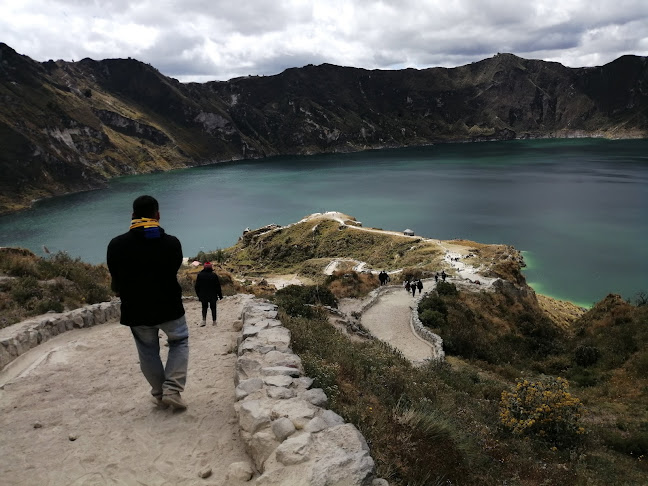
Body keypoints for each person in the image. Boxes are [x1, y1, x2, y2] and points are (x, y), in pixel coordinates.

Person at [107, 195, 189, 411]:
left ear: (133, 216)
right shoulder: (172, 243)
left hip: (136, 309)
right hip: (169, 306)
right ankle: (173, 388)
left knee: (147, 351)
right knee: (179, 342)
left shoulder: (116, 245)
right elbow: (173, 270)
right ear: (157, 215)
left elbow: (115, 279)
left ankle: (160, 393)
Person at [195, 261, 223, 326]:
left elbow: (197, 286)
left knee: (204, 307)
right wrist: (220, 295)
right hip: (213, 295)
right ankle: (214, 321)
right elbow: (218, 287)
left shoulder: (200, 275)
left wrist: (198, 295)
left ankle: (204, 321)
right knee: (213, 308)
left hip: (203, 295)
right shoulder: (214, 275)